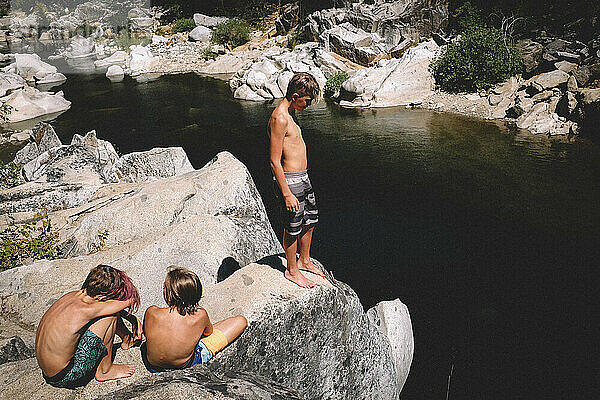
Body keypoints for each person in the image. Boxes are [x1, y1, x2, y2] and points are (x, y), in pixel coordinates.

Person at [35, 264, 142, 388]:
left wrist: (132, 319)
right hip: (64, 376)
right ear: (101, 296)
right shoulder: (85, 311)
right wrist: (133, 318)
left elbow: (103, 308)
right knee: (110, 316)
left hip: (49, 370)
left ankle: (126, 339)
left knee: (109, 310)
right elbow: (129, 301)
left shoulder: (72, 296)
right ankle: (105, 371)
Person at [268, 72, 324, 288]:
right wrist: (286, 193)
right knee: (292, 227)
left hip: (303, 178)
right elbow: (274, 161)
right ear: (294, 95)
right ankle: (292, 271)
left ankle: (304, 260)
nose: (308, 105)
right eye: (306, 100)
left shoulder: (290, 113)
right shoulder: (279, 118)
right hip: (290, 181)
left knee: (309, 221)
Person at [142, 266, 247, 372]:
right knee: (241, 321)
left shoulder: (152, 312)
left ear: (169, 295)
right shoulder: (200, 315)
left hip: (154, 366)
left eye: (164, 287)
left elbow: (147, 335)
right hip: (184, 366)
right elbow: (208, 333)